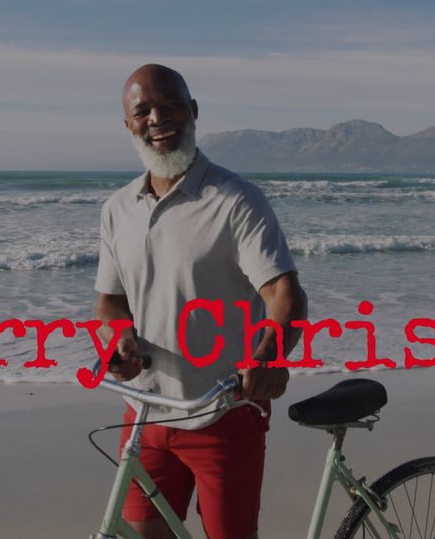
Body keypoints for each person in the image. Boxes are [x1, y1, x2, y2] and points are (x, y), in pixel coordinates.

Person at [93, 63, 306, 539]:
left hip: (224, 411)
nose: (157, 119)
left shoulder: (236, 201)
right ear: (128, 124)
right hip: (145, 410)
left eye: (170, 105)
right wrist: (118, 341)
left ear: (192, 111)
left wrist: (267, 358)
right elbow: (109, 303)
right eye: (142, 110)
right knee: (143, 533)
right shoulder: (117, 209)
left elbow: (283, 292)